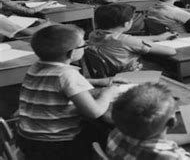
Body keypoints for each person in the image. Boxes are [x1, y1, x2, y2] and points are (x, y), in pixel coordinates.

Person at [16, 25, 125, 160]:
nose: (85, 47)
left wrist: (97, 82)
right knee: (104, 129)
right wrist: (108, 93)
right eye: (83, 45)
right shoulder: (67, 75)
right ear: (72, 53)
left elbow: (56, 84)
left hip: (26, 138)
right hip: (57, 144)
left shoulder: (36, 66)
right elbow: (94, 112)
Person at [88, 3, 177, 74]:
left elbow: (131, 40)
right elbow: (171, 51)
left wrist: (158, 37)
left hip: (111, 72)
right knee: (170, 69)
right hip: (134, 74)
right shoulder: (125, 40)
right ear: (127, 24)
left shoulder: (94, 34)